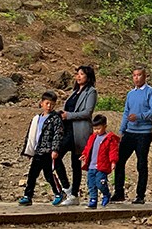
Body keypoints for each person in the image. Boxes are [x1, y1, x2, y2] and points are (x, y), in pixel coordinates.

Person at [110, 66, 152, 204]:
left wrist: (140, 116)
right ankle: (119, 192)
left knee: (141, 163)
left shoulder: (150, 92)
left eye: (139, 75)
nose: (136, 78)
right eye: (134, 75)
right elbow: (126, 112)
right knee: (119, 161)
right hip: (129, 132)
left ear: (144, 77)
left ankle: (140, 195)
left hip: (143, 133)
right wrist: (121, 131)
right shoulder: (130, 94)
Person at [56, 65, 98, 205]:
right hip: (67, 129)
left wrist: (69, 115)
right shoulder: (74, 91)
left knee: (76, 163)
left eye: (82, 74)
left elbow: (87, 112)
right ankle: (67, 188)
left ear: (88, 76)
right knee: (55, 156)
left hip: (79, 131)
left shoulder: (91, 92)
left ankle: (74, 195)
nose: (78, 76)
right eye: (77, 74)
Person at [18, 91, 66, 206]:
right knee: (32, 174)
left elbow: (57, 135)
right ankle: (27, 195)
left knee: (49, 174)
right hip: (38, 151)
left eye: (52, 104)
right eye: (47, 103)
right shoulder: (37, 119)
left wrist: (55, 149)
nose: (49, 106)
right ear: (41, 103)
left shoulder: (55, 119)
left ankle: (58, 192)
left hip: (48, 152)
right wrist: (28, 150)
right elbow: (31, 135)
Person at [80, 113, 120, 208]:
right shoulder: (92, 138)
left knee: (100, 183)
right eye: (95, 129)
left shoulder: (109, 139)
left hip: (102, 166)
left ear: (105, 127)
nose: (96, 131)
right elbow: (88, 148)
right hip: (91, 166)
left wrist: (113, 161)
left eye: (99, 128)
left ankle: (106, 194)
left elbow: (113, 151)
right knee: (91, 184)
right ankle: (93, 200)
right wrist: (84, 155)